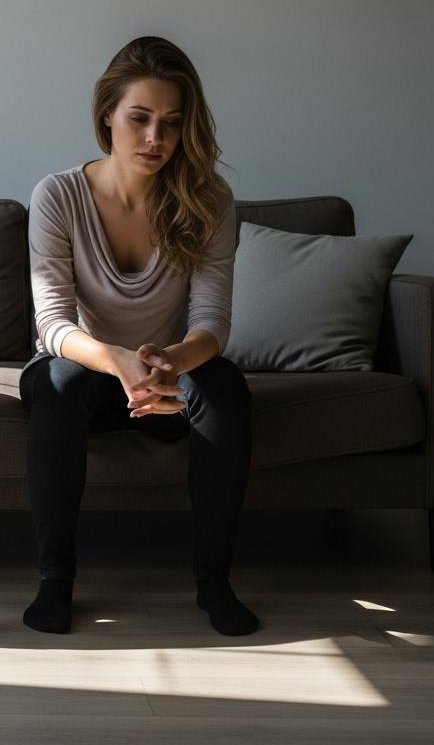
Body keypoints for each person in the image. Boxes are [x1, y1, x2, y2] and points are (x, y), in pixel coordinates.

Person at [21, 36, 259, 636]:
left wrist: (169, 361)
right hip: (89, 374)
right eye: (140, 118)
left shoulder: (209, 200)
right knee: (54, 383)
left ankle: (215, 583)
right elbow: (52, 324)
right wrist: (117, 360)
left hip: (169, 378)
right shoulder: (58, 196)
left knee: (226, 388)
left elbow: (213, 323)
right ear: (107, 115)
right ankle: (55, 581)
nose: (156, 138)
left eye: (172, 124)